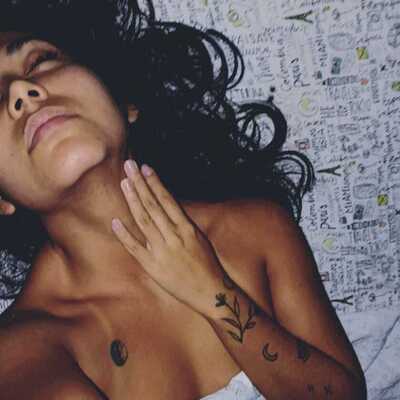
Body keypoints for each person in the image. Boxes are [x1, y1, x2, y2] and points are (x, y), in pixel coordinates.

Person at [0, 1, 366, 399]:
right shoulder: (20, 353)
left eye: (40, 61)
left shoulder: (259, 228)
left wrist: (212, 291)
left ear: (125, 101)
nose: (19, 90)